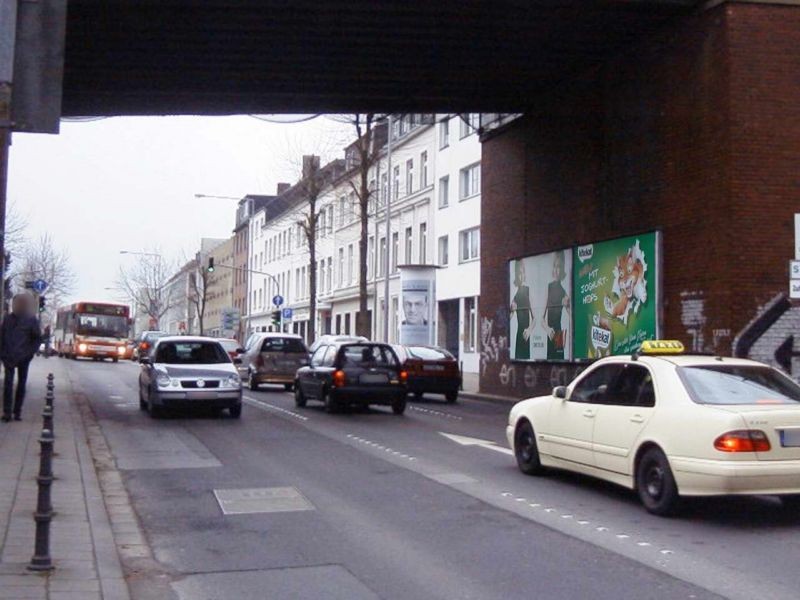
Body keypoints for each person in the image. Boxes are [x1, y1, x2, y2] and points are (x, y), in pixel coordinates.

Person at [0, 293, 42, 422]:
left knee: (21, 384)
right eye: (16, 303)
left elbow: (37, 339)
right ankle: (7, 412)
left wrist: (29, 353)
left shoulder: (31, 320)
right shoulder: (8, 319)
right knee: (8, 384)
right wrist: (2, 353)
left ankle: (17, 411)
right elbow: (1, 336)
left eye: (20, 303)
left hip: (24, 357)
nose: (17, 306)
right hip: (8, 356)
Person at [542, 250, 570, 360]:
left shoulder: (564, 291)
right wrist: (548, 330)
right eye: (555, 266)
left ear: (562, 268)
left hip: (559, 333)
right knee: (551, 358)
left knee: (559, 358)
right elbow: (542, 319)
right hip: (551, 333)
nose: (556, 270)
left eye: (559, 267)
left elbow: (571, 318)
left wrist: (568, 306)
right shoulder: (549, 287)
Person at [510, 260, 534, 360]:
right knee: (519, 357)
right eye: (519, 273)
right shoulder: (515, 296)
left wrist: (529, 330)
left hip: (526, 335)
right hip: (519, 335)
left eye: (522, 272)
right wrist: (512, 311)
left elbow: (535, 318)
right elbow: (509, 317)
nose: (521, 275)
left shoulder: (528, 291)